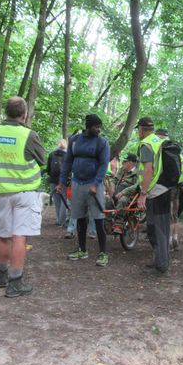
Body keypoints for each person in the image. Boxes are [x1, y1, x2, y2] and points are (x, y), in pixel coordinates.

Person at [0, 96, 45, 297]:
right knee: (19, 236)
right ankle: (15, 282)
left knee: (3, 235)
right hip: (24, 193)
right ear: (24, 114)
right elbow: (42, 159)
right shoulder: (28, 135)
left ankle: (1, 276)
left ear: (6, 112)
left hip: (2, 192)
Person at [57, 114, 110, 267]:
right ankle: (82, 249)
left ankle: (103, 253)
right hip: (77, 183)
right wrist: (62, 182)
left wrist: (96, 183)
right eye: (96, 126)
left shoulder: (102, 143)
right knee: (79, 217)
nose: (98, 129)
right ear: (88, 126)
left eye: (100, 126)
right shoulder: (75, 140)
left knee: (99, 219)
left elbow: (103, 165)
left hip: (94, 184)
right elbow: (67, 162)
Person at [135, 117, 171, 274]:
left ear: (141, 129)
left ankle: (162, 266)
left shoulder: (147, 144)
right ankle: (160, 261)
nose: (138, 133)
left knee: (156, 229)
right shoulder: (159, 140)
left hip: (154, 192)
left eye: (138, 130)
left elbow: (148, 170)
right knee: (162, 227)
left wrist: (143, 194)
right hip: (164, 189)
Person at [111, 153, 138, 234]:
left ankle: (118, 225)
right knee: (106, 200)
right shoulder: (122, 169)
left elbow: (137, 186)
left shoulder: (138, 172)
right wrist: (111, 189)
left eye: (125, 162)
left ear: (131, 163)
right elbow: (114, 180)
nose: (123, 163)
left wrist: (123, 192)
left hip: (129, 194)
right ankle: (108, 222)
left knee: (122, 201)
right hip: (117, 190)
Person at [46, 139, 68, 225]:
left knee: (57, 200)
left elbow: (48, 168)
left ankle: (59, 219)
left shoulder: (51, 154)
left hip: (53, 179)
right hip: (63, 180)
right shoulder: (67, 155)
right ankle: (62, 221)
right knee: (64, 199)